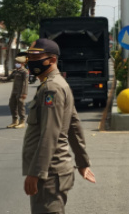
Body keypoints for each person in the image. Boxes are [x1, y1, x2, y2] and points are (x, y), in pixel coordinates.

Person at [22, 39, 95, 214]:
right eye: (29, 57)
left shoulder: (51, 88)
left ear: (52, 60)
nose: (30, 61)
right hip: (53, 172)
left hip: (49, 174)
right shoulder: (59, 83)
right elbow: (74, 125)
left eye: (36, 56)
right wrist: (82, 162)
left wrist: (37, 172)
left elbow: (49, 133)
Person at [0, 54, 29, 128]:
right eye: (16, 62)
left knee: (21, 106)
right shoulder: (15, 72)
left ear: (22, 64)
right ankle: (15, 121)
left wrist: (24, 93)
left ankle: (22, 122)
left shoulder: (24, 72)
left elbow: (25, 83)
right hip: (14, 92)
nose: (16, 64)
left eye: (18, 63)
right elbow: (7, 78)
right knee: (12, 105)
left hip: (21, 92)